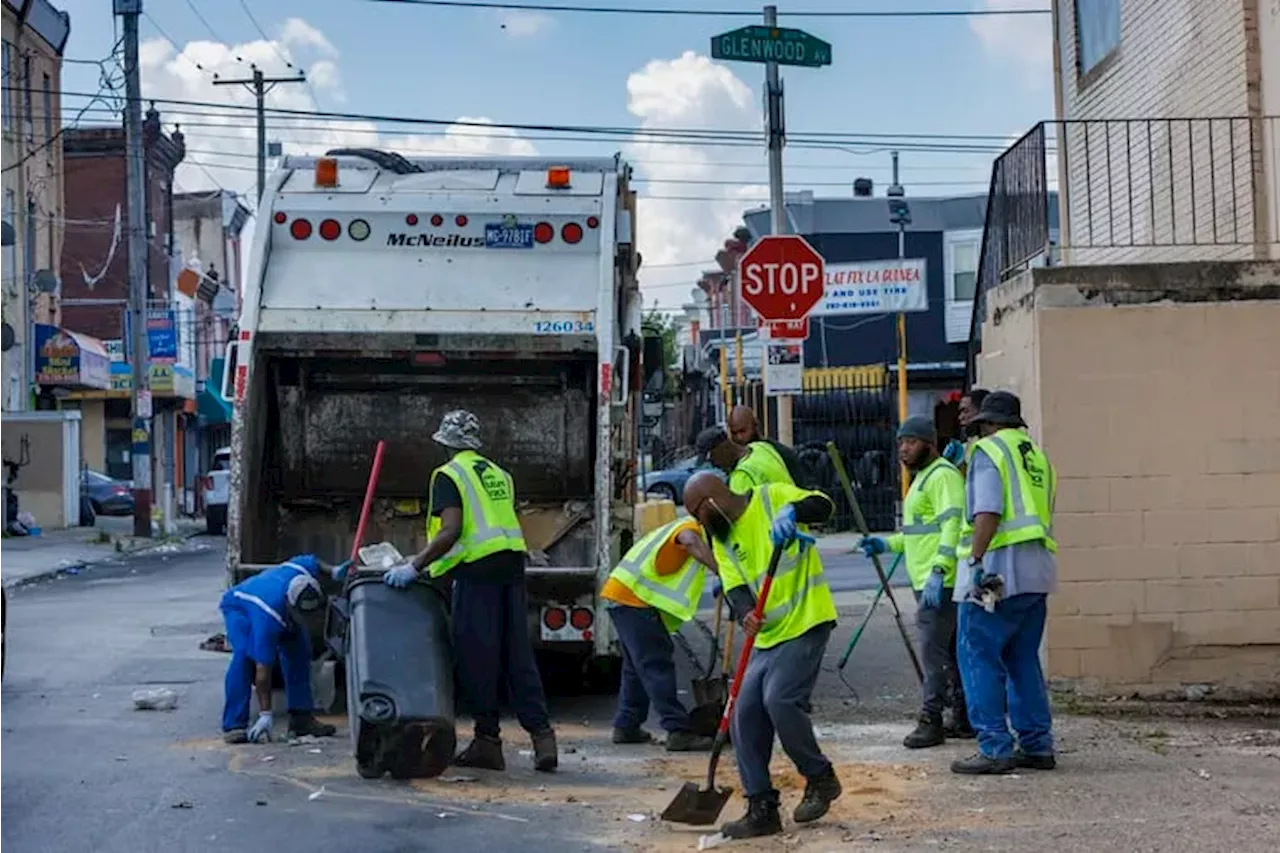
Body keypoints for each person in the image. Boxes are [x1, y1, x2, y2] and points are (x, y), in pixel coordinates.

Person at [383, 410, 558, 773]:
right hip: (511, 567)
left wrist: (414, 566)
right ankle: (543, 738)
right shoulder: (499, 474)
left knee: (478, 656)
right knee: (517, 655)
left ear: (445, 444)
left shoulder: (448, 475)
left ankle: (487, 742)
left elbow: (451, 531)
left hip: (477, 573)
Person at [683, 471, 840, 839]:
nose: (697, 522)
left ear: (710, 503)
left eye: (696, 513)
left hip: (806, 619)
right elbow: (734, 584)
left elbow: (825, 505)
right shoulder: (721, 538)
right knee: (743, 713)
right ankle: (762, 807)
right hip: (768, 636)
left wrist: (792, 510)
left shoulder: (771, 497)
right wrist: (745, 611)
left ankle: (820, 778)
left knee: (780, 699)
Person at [952, 390, 1058, 776]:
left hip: (997, 570)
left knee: (977, 654)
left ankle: (994, 746)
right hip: (1037, 570)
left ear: (989, 423)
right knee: (1022, 659)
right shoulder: (1037, 457)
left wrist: (976, 560)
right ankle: (1037, 744)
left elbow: (988, 511)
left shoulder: (988, 452)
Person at [858, 416, 971, 749]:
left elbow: (952, 526)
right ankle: (963, 717)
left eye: (910, 442)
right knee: (950, 653)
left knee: (932, 654)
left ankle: (931, 719)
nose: (903, 449)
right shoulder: (924, 479)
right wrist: (885, 544)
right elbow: (917, 534)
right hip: (931, 579)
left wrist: (939, 569)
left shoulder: (941, 477)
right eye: (900, 443)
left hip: (942, 580)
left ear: (929, 443)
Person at [601, 516, 721, 751]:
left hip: (623, 596)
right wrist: (721, 571)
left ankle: (627, 724)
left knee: (635, 667)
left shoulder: (676, 526)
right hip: (635, 600)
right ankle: (677, 730)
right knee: (656, 664)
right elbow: (689, 540)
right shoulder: (690, 528)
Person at [219, 554, 348, 744]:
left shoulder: (302, 573)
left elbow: (312, 560)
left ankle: (301, 719)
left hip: (278, 607)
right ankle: (234, 724)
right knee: (245, 657)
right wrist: (266, 713)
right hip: (240, 607)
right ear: (290, 603)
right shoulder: (268, 619)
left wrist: (334, 570)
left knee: (299, 650)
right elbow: (263, 673)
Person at [696, 425, 795, 493]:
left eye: (712, 459)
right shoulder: (762, 447)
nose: (714, 465)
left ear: (722, 449)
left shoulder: (741, 477)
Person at [727, 405, 806, 485]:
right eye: (734, 433)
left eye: (743, 431)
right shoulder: (730, 460)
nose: (739, 437)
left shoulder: (781, 453)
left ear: (755, 426)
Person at [944, 388, 990, 469]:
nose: (960, 417)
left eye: (965, 411)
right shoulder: (969, 445)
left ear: (982, 412)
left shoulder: (995, 445)